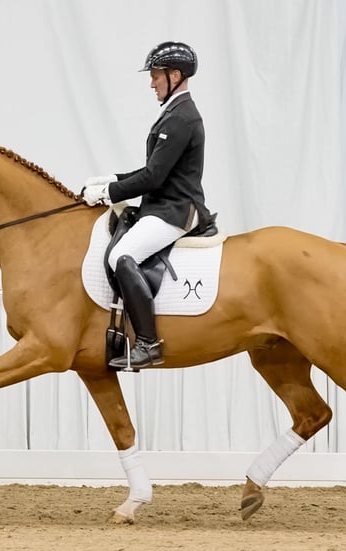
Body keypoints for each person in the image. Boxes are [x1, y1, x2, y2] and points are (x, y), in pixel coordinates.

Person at [82, 41, 214, 369]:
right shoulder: (173, 113)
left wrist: (109, 193)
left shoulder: (181, 118)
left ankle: (148, 343)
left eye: (156, 75)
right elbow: (152, 169)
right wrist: (112, 178)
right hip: (163, 205)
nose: (152, 82)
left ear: (175, 75)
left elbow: (154, 177)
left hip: (176, 209)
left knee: (121, 256)